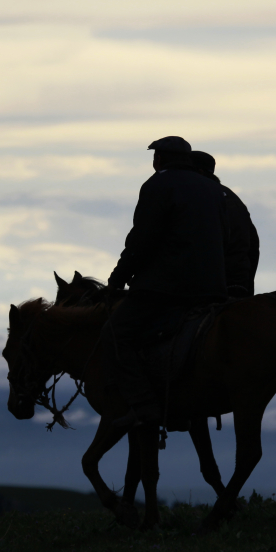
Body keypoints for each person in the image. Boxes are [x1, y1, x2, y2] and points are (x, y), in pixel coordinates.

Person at [105, 136, 229, 427]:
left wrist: (117, 281)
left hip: (167, 287)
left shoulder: (157, 185)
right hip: (212, 288)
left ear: (158, 159)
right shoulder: (214, 189)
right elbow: (223, 237)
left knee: (115, 334)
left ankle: (145, 407)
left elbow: (141, 240)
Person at [190, 151, 260, 297]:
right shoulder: (232, 198)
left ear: (199, 172)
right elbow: (253, 245)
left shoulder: (201, 198)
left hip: (211, 287)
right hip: (238, 283)